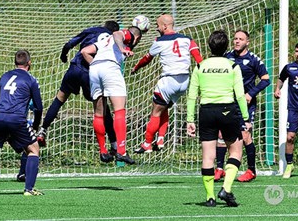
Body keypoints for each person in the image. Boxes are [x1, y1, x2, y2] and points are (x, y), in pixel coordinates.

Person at [37, 21, 120, 163]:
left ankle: (42, 130)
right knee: (102, 110)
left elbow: (70, 43)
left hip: (75, 68)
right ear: (115, 31)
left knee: (59, 99)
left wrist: (64, 55)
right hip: (92, 73)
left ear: (104, 25)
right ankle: (113, 146)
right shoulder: (113, 40)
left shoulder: (92, 30)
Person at [187, 30, 250, 207]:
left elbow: (192, 95)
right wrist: (245, 117)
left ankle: (210, 197)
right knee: (236, 151)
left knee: (208, 156)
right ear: (227, 46)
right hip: (227, 110)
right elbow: (240, 95)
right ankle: (226, 189)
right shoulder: (232, 66)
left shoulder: (200, 66)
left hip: (206, 111)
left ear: (209, 45)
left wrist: (190, 120)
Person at [0, 50, 44, 196]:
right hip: (17, 119)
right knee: (33, 149)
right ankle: (29, 189)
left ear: (15, 63)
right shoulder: (31, 80)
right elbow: (39, 107)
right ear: (29, 63)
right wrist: (35, 126)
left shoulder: (5, 76)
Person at [131, 14, 203, 153]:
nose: (157, 28)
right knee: (164, 107)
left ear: (165, 26)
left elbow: (147, 58)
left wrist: (136, 67)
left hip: (169, 80)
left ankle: (147, 144)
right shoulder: (187, 39)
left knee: (156, 112)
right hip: (184, 82)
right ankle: (161, 139)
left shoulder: (159, 41)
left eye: (158, 25)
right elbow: (197, 57)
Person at [214, 30, 270, 182]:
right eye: (235, 39)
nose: (237, 41)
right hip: (228, 102)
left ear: (247, 42)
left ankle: (251, 170)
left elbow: (266, 79)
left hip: (245, 105)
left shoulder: (253, 59)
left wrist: (250, 94)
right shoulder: (227, 57)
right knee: (221, 134)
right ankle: (220, 168)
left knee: (245, 135)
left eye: (241, 39)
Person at [81, 26, 142, 165]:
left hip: (95, 69)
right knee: (119, 110)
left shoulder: (104, 40)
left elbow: (85, 51)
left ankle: (103, 151)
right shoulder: (129, 36)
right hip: (110, 68)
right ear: (137, 38)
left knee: (98, 113)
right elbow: (117, 33)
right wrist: (122, 48)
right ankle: (121, 151)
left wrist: (96, 64)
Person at [274, 41, 298, 179]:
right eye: (296, 51)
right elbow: (281, 78)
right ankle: (289, 165)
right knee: (290, 137)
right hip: (294, 108)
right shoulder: (289, 67)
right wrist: (277, 89)